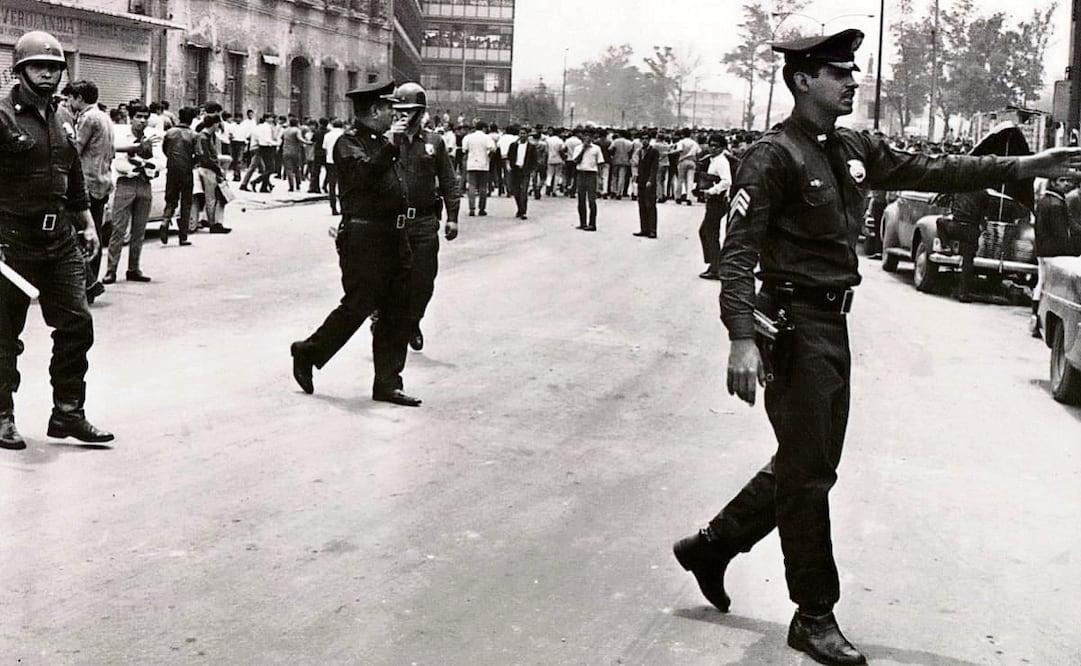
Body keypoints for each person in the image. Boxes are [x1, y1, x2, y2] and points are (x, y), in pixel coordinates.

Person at [672, 29, 1081, 666]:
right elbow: (737, 254)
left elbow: (939, 169)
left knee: (811, 462)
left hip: (832, 326)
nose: (852, 82)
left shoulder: (853, 147)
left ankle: (711, 545)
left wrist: (1024, 167)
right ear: (802, 80)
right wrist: (742, 336)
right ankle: (813, 614)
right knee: (808, 473)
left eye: (852, 72)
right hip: (792, 326)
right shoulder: (772, 157)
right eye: (838, 73)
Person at [0, 30, 113, 449]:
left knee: (77, 323)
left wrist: (86, 222)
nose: (48, 74)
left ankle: (68, 412)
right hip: (11, 240)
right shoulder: (2, 116)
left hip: (60, 238)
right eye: (38, 67)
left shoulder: (64, 116)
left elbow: (73, 171)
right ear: (20, 71)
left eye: (54, 68)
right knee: (3, 335)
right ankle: (2, 415)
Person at [290, 81, 428, 407]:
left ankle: (388, 383)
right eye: (390, 108)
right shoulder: (348, 142)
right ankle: (308, 351)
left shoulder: (383, 142)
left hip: (394, 236)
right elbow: (365, 176)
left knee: (396, 310)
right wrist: (391, 145)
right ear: (375, 111)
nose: (395, 115)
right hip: (365, 238)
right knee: (359, 305)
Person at [386, 81, 460, 353]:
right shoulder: (386, 140)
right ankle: (384, 320)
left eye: (409, 110)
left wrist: (452, 216)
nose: (403, 115)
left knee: (424, 280)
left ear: (420, 112)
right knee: (389, 277)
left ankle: (413, 320)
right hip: (392, 221)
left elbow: (449, 180)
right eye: (399, 110)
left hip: (424, 222)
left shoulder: (434, 142)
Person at [68, 79, 114, 303]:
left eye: (71, 97)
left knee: (76, 234)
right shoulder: (105, 117)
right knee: (93, 232)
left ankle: (89, 283)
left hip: (86, 183)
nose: (69, 102)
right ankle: (91, 283)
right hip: (102, 182)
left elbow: (75, 149)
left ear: (79, 98)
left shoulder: (88, 118)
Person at [105, 102, 161, 284]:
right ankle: (111, 270)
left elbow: (160, 161)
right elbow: (119, 162)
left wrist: (144, 164)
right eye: (139, 116)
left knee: (139, 230)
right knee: (119, 229)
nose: (142, 121)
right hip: (126, 184)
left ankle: (134, 268)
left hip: (144, 184)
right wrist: (140, 164)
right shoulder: (122, 136)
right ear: (131, 117)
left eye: (145, 117)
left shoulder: (152, 136)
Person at [1031, 174, 1081, 335]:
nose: (1066, 184)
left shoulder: (1046, 200)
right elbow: (1061, 233)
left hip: (1043, 249)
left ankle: (1035, 318)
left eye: (1068, 181)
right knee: (1047, 284)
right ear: (1053, 182)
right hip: (1053, 251)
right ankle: (1038, 319)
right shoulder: (1056, 204)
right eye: (1062, 180)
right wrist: (1071, 249)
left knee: (1041, 282)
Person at [161, 106, 198, 246]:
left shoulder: (170, 132)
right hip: (186, 170)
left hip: (171, 169)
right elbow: (199, 154)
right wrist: (191, 163)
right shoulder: (193, 135)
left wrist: (172, 159)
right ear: (191, 120)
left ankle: (165, 220)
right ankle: (183, 236)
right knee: (186, 202)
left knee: (171, 199)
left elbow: (165, 149)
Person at [697, 133, 733, 279]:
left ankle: (715, 268)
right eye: (710, 145)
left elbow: (727, 181)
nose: (712, 148)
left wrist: (712, 191)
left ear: (722, 148)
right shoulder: (713, 160)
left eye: (715, 146)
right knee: (706, 232)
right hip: (714, 201)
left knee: (710, 232)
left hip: (718, 201)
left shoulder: (721, 162)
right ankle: (714, 263)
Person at [194, 112, 232, 235]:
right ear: (214, 124)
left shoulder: (203, 136)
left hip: (206, 168)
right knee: (212, 198)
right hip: (208, 169)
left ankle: (209, 220)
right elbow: (207, 158)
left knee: (212, 197)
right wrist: (218, 169)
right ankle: (214, 224)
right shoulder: (204, 138)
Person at [461, 120, 495, 216]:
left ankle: (471, 208)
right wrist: (488, 157)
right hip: (483, 164)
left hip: (471, 164)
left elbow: (464, 150)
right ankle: (482, 208)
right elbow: (493, 149)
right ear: (484, 128)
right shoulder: (487, 138)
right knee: (483, 187)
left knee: (471, 185)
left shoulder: (468, 137)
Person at [572, 131, 604, 231]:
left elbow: (600, 163)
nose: (587, 139)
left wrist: (600, 178)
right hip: (581, 173)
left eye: (589, 137)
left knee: (591, 200)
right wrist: (583, 149)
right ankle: (582, 222)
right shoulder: (578, 148)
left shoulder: (596, 148)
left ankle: (592, 224)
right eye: (585, 137)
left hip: (591, 174)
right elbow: (576, 160)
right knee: (581, 199)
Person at [506, 125, 537, 219]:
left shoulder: (531, 147)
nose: (522, 135)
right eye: (521, 133)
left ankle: (523, 211)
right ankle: (520, 208)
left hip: (525, 170)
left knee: (524, 191)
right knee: (516, 191)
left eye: (524, 133)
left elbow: (534, 160)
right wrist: (509, 165)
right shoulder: (513, 145)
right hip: (515, 169)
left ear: (527, 135)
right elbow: (509, 156)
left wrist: (533, 171)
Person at [633, 130, 659, 239]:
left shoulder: (654, 151)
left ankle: (652, 230)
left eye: (646, 139)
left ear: (650, 140)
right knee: (642, 205)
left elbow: (654, 167)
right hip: (641, 180)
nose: (644, 141)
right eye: (642, 139)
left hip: (649, 182)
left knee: (650, 205)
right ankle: (644, 229)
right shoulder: (639, 151)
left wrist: (651, 180)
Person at [323, 118, 346, 215]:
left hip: (330, 161)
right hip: (342, 162)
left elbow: (325, 148)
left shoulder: (327, 135)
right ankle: (343, 207)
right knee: (343, 185)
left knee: (332, 185)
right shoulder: (344, 135)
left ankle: (333, 207)